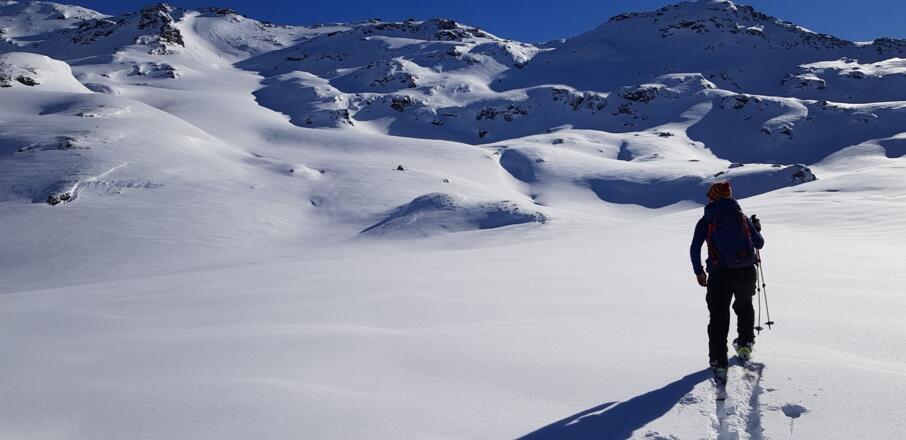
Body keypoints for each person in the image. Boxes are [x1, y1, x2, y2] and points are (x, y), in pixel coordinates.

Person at [689, 181, 764, 382]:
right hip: (746, 271)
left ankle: (719, 361)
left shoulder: (707, 219)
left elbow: (694, 248)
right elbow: (759, 243)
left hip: (720, 274)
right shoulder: (741, 216)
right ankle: (745, 345)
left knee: (718, 317)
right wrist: (756, 227)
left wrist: (699, 272)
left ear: (712, 197)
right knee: (744, 306)